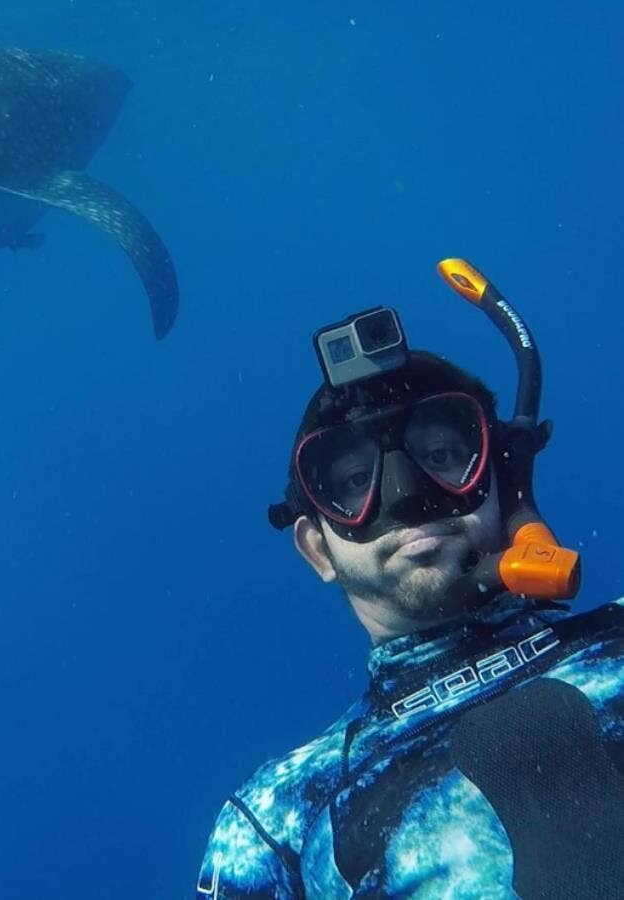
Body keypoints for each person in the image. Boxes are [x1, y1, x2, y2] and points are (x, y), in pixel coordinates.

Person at [196, 261, 624, 899]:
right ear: (317, 548)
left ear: (507, 488)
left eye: (444, 456)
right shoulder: (277, 815)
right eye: (351, 483)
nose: (407, 496)